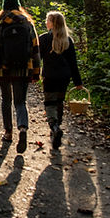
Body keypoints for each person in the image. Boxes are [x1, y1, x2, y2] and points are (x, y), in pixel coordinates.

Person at [0, 0, 40, 154]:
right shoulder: (27, 22)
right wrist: (36, 72)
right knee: (20, 102)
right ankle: (23, 128)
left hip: (3, 69)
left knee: (6, 99)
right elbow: (35, 49)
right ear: (18, 5)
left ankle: (8, 132)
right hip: (23, 68)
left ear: (4, 6)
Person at [38, 10, 83, 150]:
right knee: (59, 102)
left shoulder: (44, 38)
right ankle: (58, 126)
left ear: (52, 23)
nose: (46, 23)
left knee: (49, 103)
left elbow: (37, 59)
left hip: (49, 76)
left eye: (47, 20)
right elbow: (73, 64)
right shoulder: (68, 40)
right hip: (64, 77)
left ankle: (54, 127)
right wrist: (78, 82)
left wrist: (33, 74)